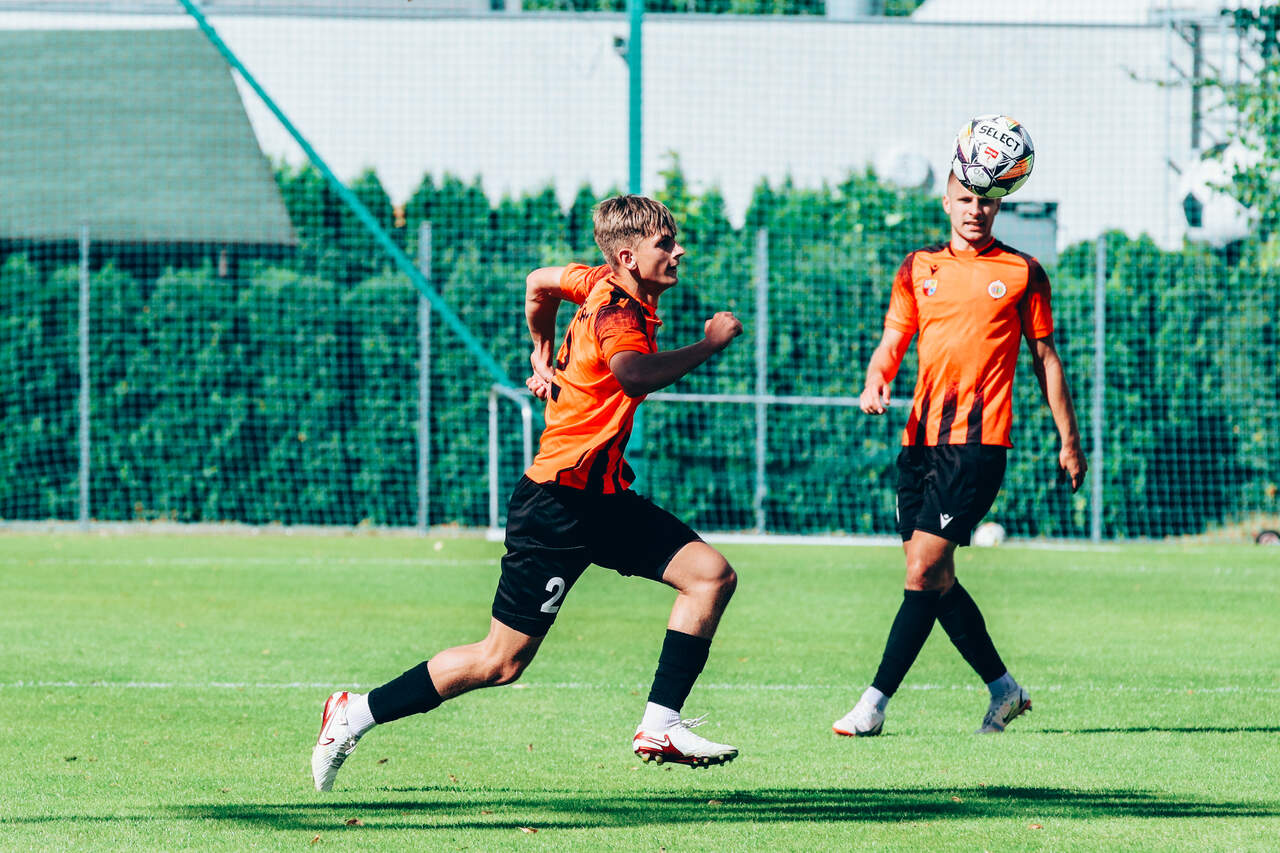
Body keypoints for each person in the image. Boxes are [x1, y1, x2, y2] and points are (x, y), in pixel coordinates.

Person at [312, 195, 744, 791]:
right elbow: (634, 375)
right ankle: (354, 713)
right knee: (500, 661)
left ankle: (659, 725)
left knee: (710, 576)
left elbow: (538, 282)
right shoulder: (618, 316)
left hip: (603, 500)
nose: (679, 252)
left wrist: (541, 349)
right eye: (665, 244)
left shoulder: (595, 281)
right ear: (628, 256)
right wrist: (710, 343)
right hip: (557, 506)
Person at [833, 172, 1086, 738]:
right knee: (935, 577)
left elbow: (1046, 358)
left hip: (977, 445)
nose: (975, 210)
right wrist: (876, 380)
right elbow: (892, 341)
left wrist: (1069, 440)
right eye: (966, 199)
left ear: (1000, 207)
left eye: (987, 202)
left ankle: (873, 704)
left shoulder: (1022, 271)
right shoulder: (917, 267)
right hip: (918, 443)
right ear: (947, 202)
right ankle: (1005, 690)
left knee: (923, 571)